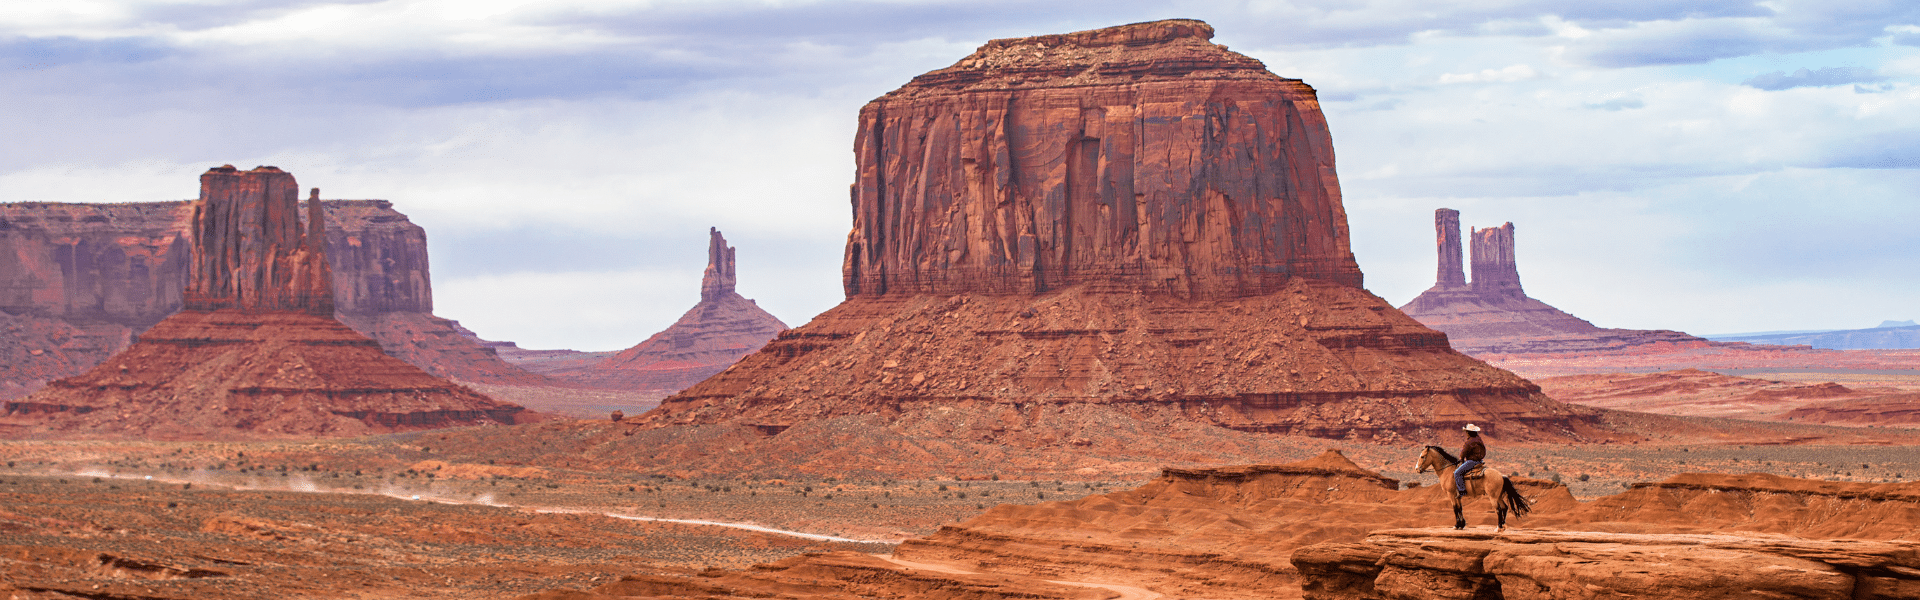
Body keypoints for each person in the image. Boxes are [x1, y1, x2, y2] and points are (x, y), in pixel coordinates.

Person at [1455, 423, 1485, 498]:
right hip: (1479, 461)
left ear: (1469, 432)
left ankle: (1462, 491)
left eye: (1467, 432)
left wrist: (1461, 459)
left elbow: (1463, 453)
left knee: (1457, 473)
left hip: (1471, 462)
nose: (1466, 434)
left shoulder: (1469, 442)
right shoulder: (1479, 439)